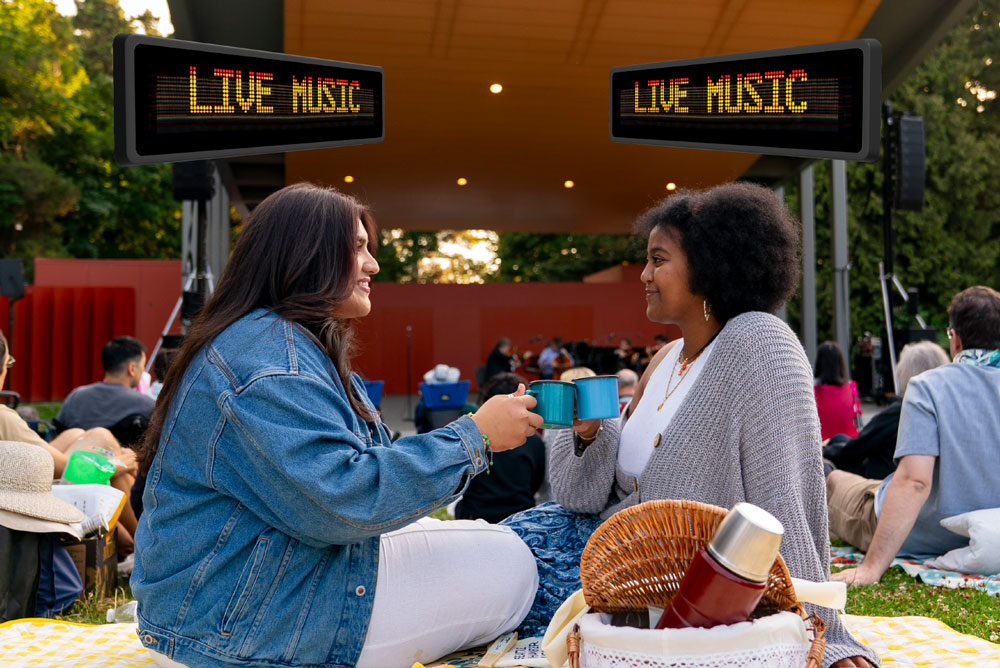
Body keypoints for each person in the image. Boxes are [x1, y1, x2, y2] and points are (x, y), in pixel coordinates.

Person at [131, 183, 542, 668]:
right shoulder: (267, 363)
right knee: (516, 568)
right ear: (306, 255)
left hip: (239, 600)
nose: (374, 266)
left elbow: (361, 473)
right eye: (359, 249)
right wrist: (476, 436)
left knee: (510, 545)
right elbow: (348, 500)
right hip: (236, 630)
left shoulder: (278, 342)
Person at [502, 182, 877, 668]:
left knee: (480, 576)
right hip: (584, 550)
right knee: (475, 553)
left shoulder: (758, 343)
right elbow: (582, 497)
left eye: (658, 260)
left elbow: (788, 493)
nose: (643, 274)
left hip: (635, 584)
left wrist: (823, 632)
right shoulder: (662, 359)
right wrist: (589, 432)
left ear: (709, 266)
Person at [830, 286, 1000, 587]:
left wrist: (871, 569)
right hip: (986, 537)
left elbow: (914, 481)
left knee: (833, 481)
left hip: (917, 534)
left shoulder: (928, 387)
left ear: (956, 339)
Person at [0, 330, 139, 554]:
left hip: (15, 489)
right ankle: (139, 541)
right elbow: (74, 471)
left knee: (76, 434)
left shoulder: (77, 395)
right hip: (22, 500)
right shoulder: (3, 418)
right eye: (9, 362)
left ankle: (126, 541)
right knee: (102, 438)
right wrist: (125, 462)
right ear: (133, 368)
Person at [823, 340, 949, 480]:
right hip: (923, 476)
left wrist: (818, 450)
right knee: (838, 439)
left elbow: (856, 449)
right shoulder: (942, 409)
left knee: (832, 454)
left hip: (884, 480)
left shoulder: (901, 412)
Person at [455, 373, 545, 523]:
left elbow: (459, 482)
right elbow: (537, 481)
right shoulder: (534, 441)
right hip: (522, 519)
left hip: (476, 517)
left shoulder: (470, 438)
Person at [55, 336, 155, 435]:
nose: (143, 371)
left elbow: (56, 431)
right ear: (132, 369)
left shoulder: (75, 397)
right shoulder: (146, 405)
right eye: (143, 366)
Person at [814, 341, 860, 440]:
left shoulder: (812, 390)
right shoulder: (852, 387)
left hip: (821, 444)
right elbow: (857, 418)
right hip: (848, 443)